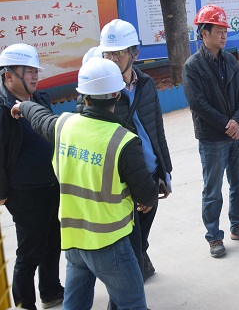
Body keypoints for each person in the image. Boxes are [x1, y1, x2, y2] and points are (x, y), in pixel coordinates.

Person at [11, 57, 158, 310]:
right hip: (110, 244)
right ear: (117, 95)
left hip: (75, 241)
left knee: (75, 304)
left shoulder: (64, 125)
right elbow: (146, 193)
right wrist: (147, 200)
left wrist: (23, 106)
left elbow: (40, 118)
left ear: (84, 97)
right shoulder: (123, 140)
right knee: (132, 304)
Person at [0, 44, 64, 310]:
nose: (34, 75)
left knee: (53, 241)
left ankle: (51, 291)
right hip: (24, 193)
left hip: (51, 185)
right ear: (9, 76)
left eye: (35, 70)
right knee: (30, 251)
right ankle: (24, 303)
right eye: (28, 71)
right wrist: (1, 193)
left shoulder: (39, 99)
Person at [183, 4, 239, 258]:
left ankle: (238, 225)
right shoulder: (193, 66)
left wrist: (237, 121)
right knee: (213, 190)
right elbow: (198, 103)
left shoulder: (229, 59)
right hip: (213, 137)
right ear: (204, 34)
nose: (224, 36)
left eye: (225, 31)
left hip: (236, 134)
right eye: (218, 31)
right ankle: (214, 236)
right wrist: (226, 125)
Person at [99, 19, 173, 282]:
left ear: (134, 54)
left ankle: (141, 260)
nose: (113, 58)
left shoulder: (146, 84)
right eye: (108, 53)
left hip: (151, 171)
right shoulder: (99, 91)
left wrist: (165, 170)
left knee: (143, 230)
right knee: (129, 238)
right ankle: (131, 281)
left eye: (119, 52)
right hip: (124, 180)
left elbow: (157, 129)